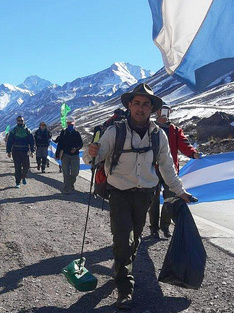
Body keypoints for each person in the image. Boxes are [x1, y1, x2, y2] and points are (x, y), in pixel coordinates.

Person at [83, 83, 194, 310]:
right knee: (123, 237)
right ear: (130, 106)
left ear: (151, 109)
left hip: (146, 194)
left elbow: (167, 167)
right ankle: (125, 288)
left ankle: (122, 264)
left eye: (145, 104)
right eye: (137, 103)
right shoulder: (115, 131)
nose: (140, 108)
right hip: (119, 194)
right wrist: (90, 152)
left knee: (135, 239)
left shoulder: (158, 135)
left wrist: (179, 191)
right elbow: (93, 159)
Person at [149, 105, 200, 239]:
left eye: (167, 110)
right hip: (152, 169)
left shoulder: (175, 130)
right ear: (157, 111)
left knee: (170, 199)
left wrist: (193, 154)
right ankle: (153, 228)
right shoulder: (150, 128)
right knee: (152, 200)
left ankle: (165, 227)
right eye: (162, 110)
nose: (165, 113)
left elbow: (184, 144)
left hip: (169, 170)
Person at [56, 116, 83, 194]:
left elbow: (81, 144)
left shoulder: (77, 133)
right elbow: (60, 144)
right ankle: (66, 188)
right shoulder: (63, 133)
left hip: (75, 155)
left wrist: (76, 148)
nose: (70, 125)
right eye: (68, 123)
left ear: (74, 124)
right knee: (66, 172)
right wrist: (58, 154)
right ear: (67, 124)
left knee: (75, 172)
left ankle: (70, 183)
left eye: (71, 123)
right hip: (65, 155)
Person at [6, 116, 35, 187]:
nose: (20, 122)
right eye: (19, 121)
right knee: (17, 167)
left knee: (26, 167)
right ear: (16, 121)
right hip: (16, 151)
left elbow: (32, 142)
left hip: (25, 151)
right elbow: (9, 142)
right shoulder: (13, 131)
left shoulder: (28, 131)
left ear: (23, 121)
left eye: (21, 121)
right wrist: (8, 151)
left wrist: (32, 151)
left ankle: (23, 177)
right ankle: (17, 182)